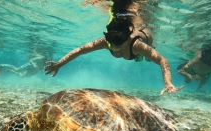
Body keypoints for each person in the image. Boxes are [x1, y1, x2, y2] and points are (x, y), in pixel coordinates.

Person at [44, 0, 183, 95]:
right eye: (112, 38)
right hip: (133, 51)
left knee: (148, 57)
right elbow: (80, 50)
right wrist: (59, 64)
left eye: (120, 38)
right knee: (141, 57)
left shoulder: (136, 45)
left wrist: (168, 83)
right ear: (107, 36)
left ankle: (145, 54)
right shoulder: (105, 42)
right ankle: (141, 57)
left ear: (128, 36)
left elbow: (162, 60)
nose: (115, 43)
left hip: (146, 39)